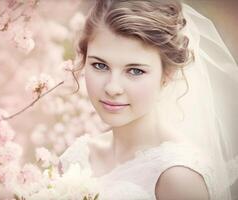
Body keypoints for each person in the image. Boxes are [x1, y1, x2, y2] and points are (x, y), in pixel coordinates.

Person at [59, 0, 238, 199]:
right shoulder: (76, 159)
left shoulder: (178, 178)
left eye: (135, 71)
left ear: (167, 74)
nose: (112, 88)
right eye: (100, 66)